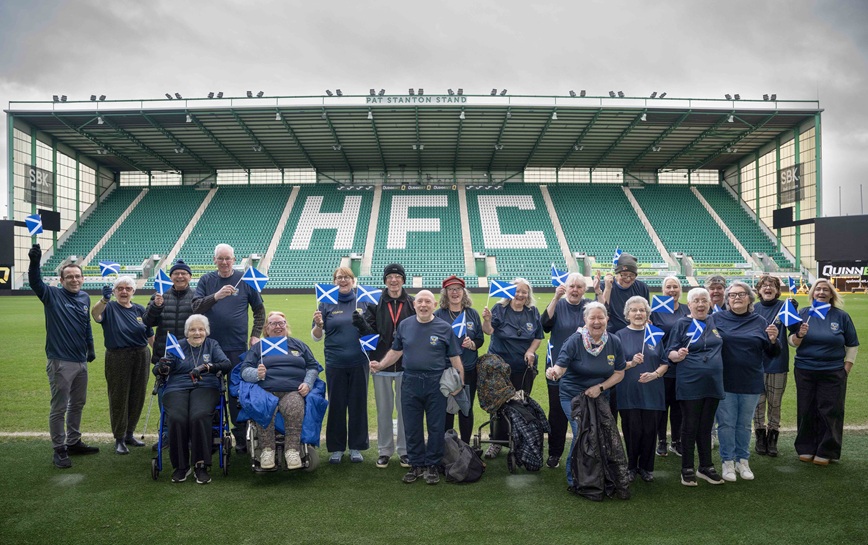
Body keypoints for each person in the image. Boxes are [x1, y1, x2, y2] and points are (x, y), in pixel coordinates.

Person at [370, 290, 463, 485]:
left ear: (434, 305)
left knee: (436, 426)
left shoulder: (444, 327)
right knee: (412, 426)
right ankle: (416, 464)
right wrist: (381, 365)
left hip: (435, 382)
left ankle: (432, 465)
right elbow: (396, 351)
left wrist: (459, 384)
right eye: (420, 301)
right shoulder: (405, 325)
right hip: (410, 381)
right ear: (414, 305)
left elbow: (455, 358)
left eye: (427, 302)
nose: (423, 305)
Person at [28, 244, 100, 469]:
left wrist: (90, 346)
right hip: (60, 360)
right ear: (61, 280)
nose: (74, 280)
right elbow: (35, 283)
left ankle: (74, 441)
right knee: (59, 407)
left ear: (83, 279)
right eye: (69, 276)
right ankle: (59, 449)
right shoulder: (51, 295)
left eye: (77, 276)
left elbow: (86, 324)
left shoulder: (85, 298)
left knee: (78, 403)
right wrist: (34, 263)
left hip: (80, 360)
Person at [193, 243, 265, 453]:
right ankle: (213, 437)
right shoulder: (207, 280)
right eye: (220, 258)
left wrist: (255, 335)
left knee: (237, 394)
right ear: (214, 260)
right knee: (210, 391)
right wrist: (217, 296)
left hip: (237, 347)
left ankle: (241, 438)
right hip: (210, 347)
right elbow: (195, 306)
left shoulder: (245, 280)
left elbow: (259, 311)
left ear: (234, 259)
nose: (224, 262)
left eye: (228, 258)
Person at [546, 302, 626, 488]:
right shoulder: (574, 340)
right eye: (592, 318)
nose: (597, 322)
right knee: (581, 431)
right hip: (572, 395)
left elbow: (620, 373)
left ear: (607, 319)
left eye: (600, 317)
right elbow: (560, 367)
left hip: (599, 395)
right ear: (585, 320)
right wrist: (554, 373)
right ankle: (574, 476)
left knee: (599, 434)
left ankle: (597, 473)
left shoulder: (614, 341)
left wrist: (601, 387)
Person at [714, 281, 779, 481]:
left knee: (743, 425)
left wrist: (774, 340)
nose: (737, 298)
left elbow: (773, 353)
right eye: (732, 295)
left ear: (750, 298)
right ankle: (727, 462)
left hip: (751, 381)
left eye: (741, 294)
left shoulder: (760, 321)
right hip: (724, 380)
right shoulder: (716, 319)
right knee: (726, 424)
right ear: (727, 299)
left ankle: (743, 461)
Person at [154, 314, 231, 484]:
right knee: (177, 417)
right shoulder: (177, 346)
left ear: (206, 331)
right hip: (177, 386)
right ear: (186, 332)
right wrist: (163, 367)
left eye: (201, 329)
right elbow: (160, 369)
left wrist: (207, 367)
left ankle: (201, 464)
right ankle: (181, 466)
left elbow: (225, 364)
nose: (197, 333)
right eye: (193, 329)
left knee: (199, 415)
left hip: (205, 385)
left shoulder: (212, 345)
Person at [790, 278, 859, 466]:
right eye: (818, 289)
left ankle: (827, 450)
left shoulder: (841, 316)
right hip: (805, 370)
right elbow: (792, 342)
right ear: (812, 293)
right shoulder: (803, 314)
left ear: (831, 294)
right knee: (806, 409)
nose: (821, 292)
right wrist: (799, 335)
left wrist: (847, 367)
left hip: (832, 371)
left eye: (825, 290)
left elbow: (852, 344)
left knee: (830, 410)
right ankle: (806, 447)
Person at [353, 263, 415, 469]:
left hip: (407, 366)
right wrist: (361, 324)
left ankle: (405, 451)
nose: (394, 280)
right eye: (390, 277)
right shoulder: (375, 302)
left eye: (398, 276)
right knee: (384, 410)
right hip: (380, 364)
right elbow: (369, 333)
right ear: (385, 280)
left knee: (405, 410)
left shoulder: (413, 303)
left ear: (403, 280)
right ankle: (385, 450)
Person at [242, 311, 321, 470]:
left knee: (294, 407)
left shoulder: (298, 344)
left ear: (286, 326)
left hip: (293, 389)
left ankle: (292, 450)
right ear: (267, 328)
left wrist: (307, 384)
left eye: (281, 323)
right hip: (266, 390)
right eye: (273, 323)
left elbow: (312, 367)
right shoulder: (259, 347)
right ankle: (267, 450)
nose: (278, 326)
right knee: (264, 407)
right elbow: (244, 371)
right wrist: (256, 374)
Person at [665, 287, 725, 487]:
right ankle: (687, 468)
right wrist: (677, 355)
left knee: (707, 426)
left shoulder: (716, 320)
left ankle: (706, 467)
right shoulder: (682, 323)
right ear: (688, 304)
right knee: (690, 425)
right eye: (696, 301)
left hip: (713, 382)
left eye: (704, 300)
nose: (700, 304)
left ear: (710, 303)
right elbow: (669, 352)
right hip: (690, 382)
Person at [311, 267, 369, 464]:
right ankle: (336, 448)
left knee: (357, 403)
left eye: (346, 277)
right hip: (335, 362)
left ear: (353, 280)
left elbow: (371, 331)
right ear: (334, 281)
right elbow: (316, 337)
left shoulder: (363, 300)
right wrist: (318, 324)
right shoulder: (326, 302)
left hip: (360, 360)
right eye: (339, 278)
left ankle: (356, 447)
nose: (342, 280)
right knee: (336, 404)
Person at [481, 277, 543, 459]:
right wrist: (487, 320)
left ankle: (518, 440)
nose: (520, 294)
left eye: (524, 292)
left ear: (528, 294)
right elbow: (489, 331)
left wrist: (531, 351)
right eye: (517, 291)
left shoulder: (532, 312)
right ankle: (496, 442)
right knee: (498, 405)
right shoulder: (499, 309)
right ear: (509, 293)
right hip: (499, 368)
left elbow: (538, 336)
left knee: (520, 404)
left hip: (523, 368)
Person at [91, 275, 154, 455]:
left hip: (141, 355)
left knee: (137, 395)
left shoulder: (140, 310)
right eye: (120, 288)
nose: (124, 291)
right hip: (118, 356)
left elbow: (149, 334)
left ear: (134, 291)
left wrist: (157, 354)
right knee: (119, 397)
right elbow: (95, 314)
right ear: (114, 291)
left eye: (128, 288)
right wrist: (103, 299)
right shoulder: (109, 307)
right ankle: (119, 437)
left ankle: (129, 434)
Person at [614, 296, 668, 482]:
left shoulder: (655, 334)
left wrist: (655, 374)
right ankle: (631, 466)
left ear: (647, 314)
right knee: (632, 430)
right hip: (628, 391)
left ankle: (646, 467)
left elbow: (664, 362)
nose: (638, 313)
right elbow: (615, 365)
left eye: (642, 310)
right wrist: (631, 363)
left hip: (653, 391)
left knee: (649, 431)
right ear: (627, 314)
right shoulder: (619, 336)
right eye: (634, 310)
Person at [143, 259, 195, 450]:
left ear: (189, 276)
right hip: (164, 356)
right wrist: (156, 306)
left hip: (189, 357)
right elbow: (148, 322)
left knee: (189, 396)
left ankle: (189, 434)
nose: (180, 276)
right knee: (165, 396)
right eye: (176, 273)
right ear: (171, 276)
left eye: (184, 273)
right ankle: (166, 434)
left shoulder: (197, 296)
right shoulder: (159, 294)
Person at [540, 272, 589, 469]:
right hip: (557, 366)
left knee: (584, 410)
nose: (575, 290)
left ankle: (584, 450)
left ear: (584, 290)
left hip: (584, 368)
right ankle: (555, 452)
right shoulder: (558, 304)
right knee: (558, 412)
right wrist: (555, 298)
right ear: (565, 288)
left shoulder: (589, 306)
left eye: (579, 286)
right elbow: (544, 325)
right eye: (572, 286)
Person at [433, 275, 484, 445]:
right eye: (451, 289)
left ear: (464, 292)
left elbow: (480, 339)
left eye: (458, 289)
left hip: (469, 369)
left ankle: (465, 446)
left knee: (466, 409)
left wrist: (472, 344)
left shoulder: (472, 314)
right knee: (446, 410)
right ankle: (448, 446)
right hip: (445, 371)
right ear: (445, 293)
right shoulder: (438, 315)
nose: (455, 292)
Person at [601, 253, 649, 422]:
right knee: (613, 381)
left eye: (631, 276)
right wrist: (607, 288)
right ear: (617, 274)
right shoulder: (607, 285)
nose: (627, 279)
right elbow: (601, 309)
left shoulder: (642, 288)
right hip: (613, 339)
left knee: (634, 376)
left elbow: (646, 313)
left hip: (636, 338)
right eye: (623, 275)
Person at [752, 275, 798, 456]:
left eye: (772, 285)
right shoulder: (753, 309)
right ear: (759, 290)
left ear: (778, 290)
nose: (768, 288)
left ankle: (773, 438)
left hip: (778, 363)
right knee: (758, 404)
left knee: (775, 403)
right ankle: (760, 437)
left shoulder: (784, 307)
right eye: (764, 285)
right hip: (756, 364)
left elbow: (795, 330)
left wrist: (794, 312)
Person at [650, 275, 690, 457]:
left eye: (675, 287)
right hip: (661, 364)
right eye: (668, 287)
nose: (672, 290)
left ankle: (676, 440)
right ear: (663, 290)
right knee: (661, 405)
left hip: (682, 366)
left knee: (678, 406)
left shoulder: (686, 310)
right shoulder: (656, 311)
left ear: (680, 290)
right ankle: (662, 441)